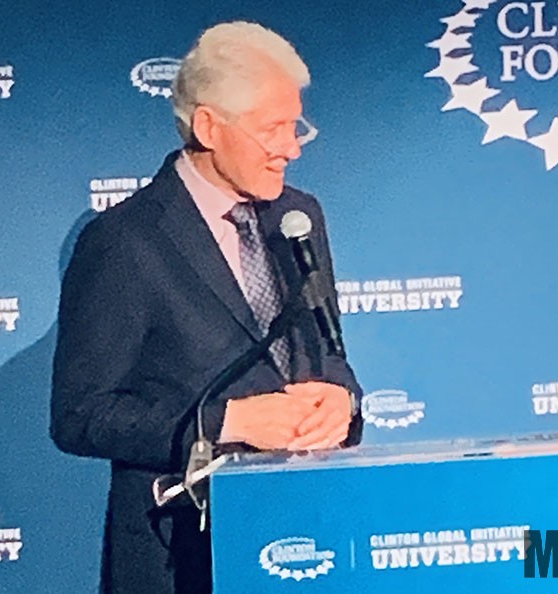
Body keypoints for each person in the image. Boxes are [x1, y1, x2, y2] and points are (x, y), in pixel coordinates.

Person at [50, 21, 363, 594]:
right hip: (183, 551)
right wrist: (227, 423)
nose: (292, 148)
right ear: (209, 127)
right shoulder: (124, 241)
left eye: (296, 126)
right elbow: (81, 416)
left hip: (306, 529)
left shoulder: (299, 217)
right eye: (273, 129)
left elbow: (327, 351)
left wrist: (342, 399)